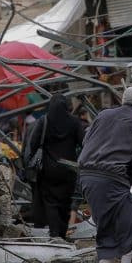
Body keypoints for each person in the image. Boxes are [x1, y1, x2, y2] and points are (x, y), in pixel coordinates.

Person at [77, 86, 132, 263]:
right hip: (112, 177)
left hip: (86, 176)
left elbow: (86, 140)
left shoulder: (103, 115)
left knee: (105, 219)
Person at [28, 94, 86, 238]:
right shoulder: (74, 122)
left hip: (48, 169)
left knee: (50, 202)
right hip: (68, 169)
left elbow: (33, 143)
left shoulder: (44, 121)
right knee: (65, 202)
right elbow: (83, 143)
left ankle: (55, 233)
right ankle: (62, 232)